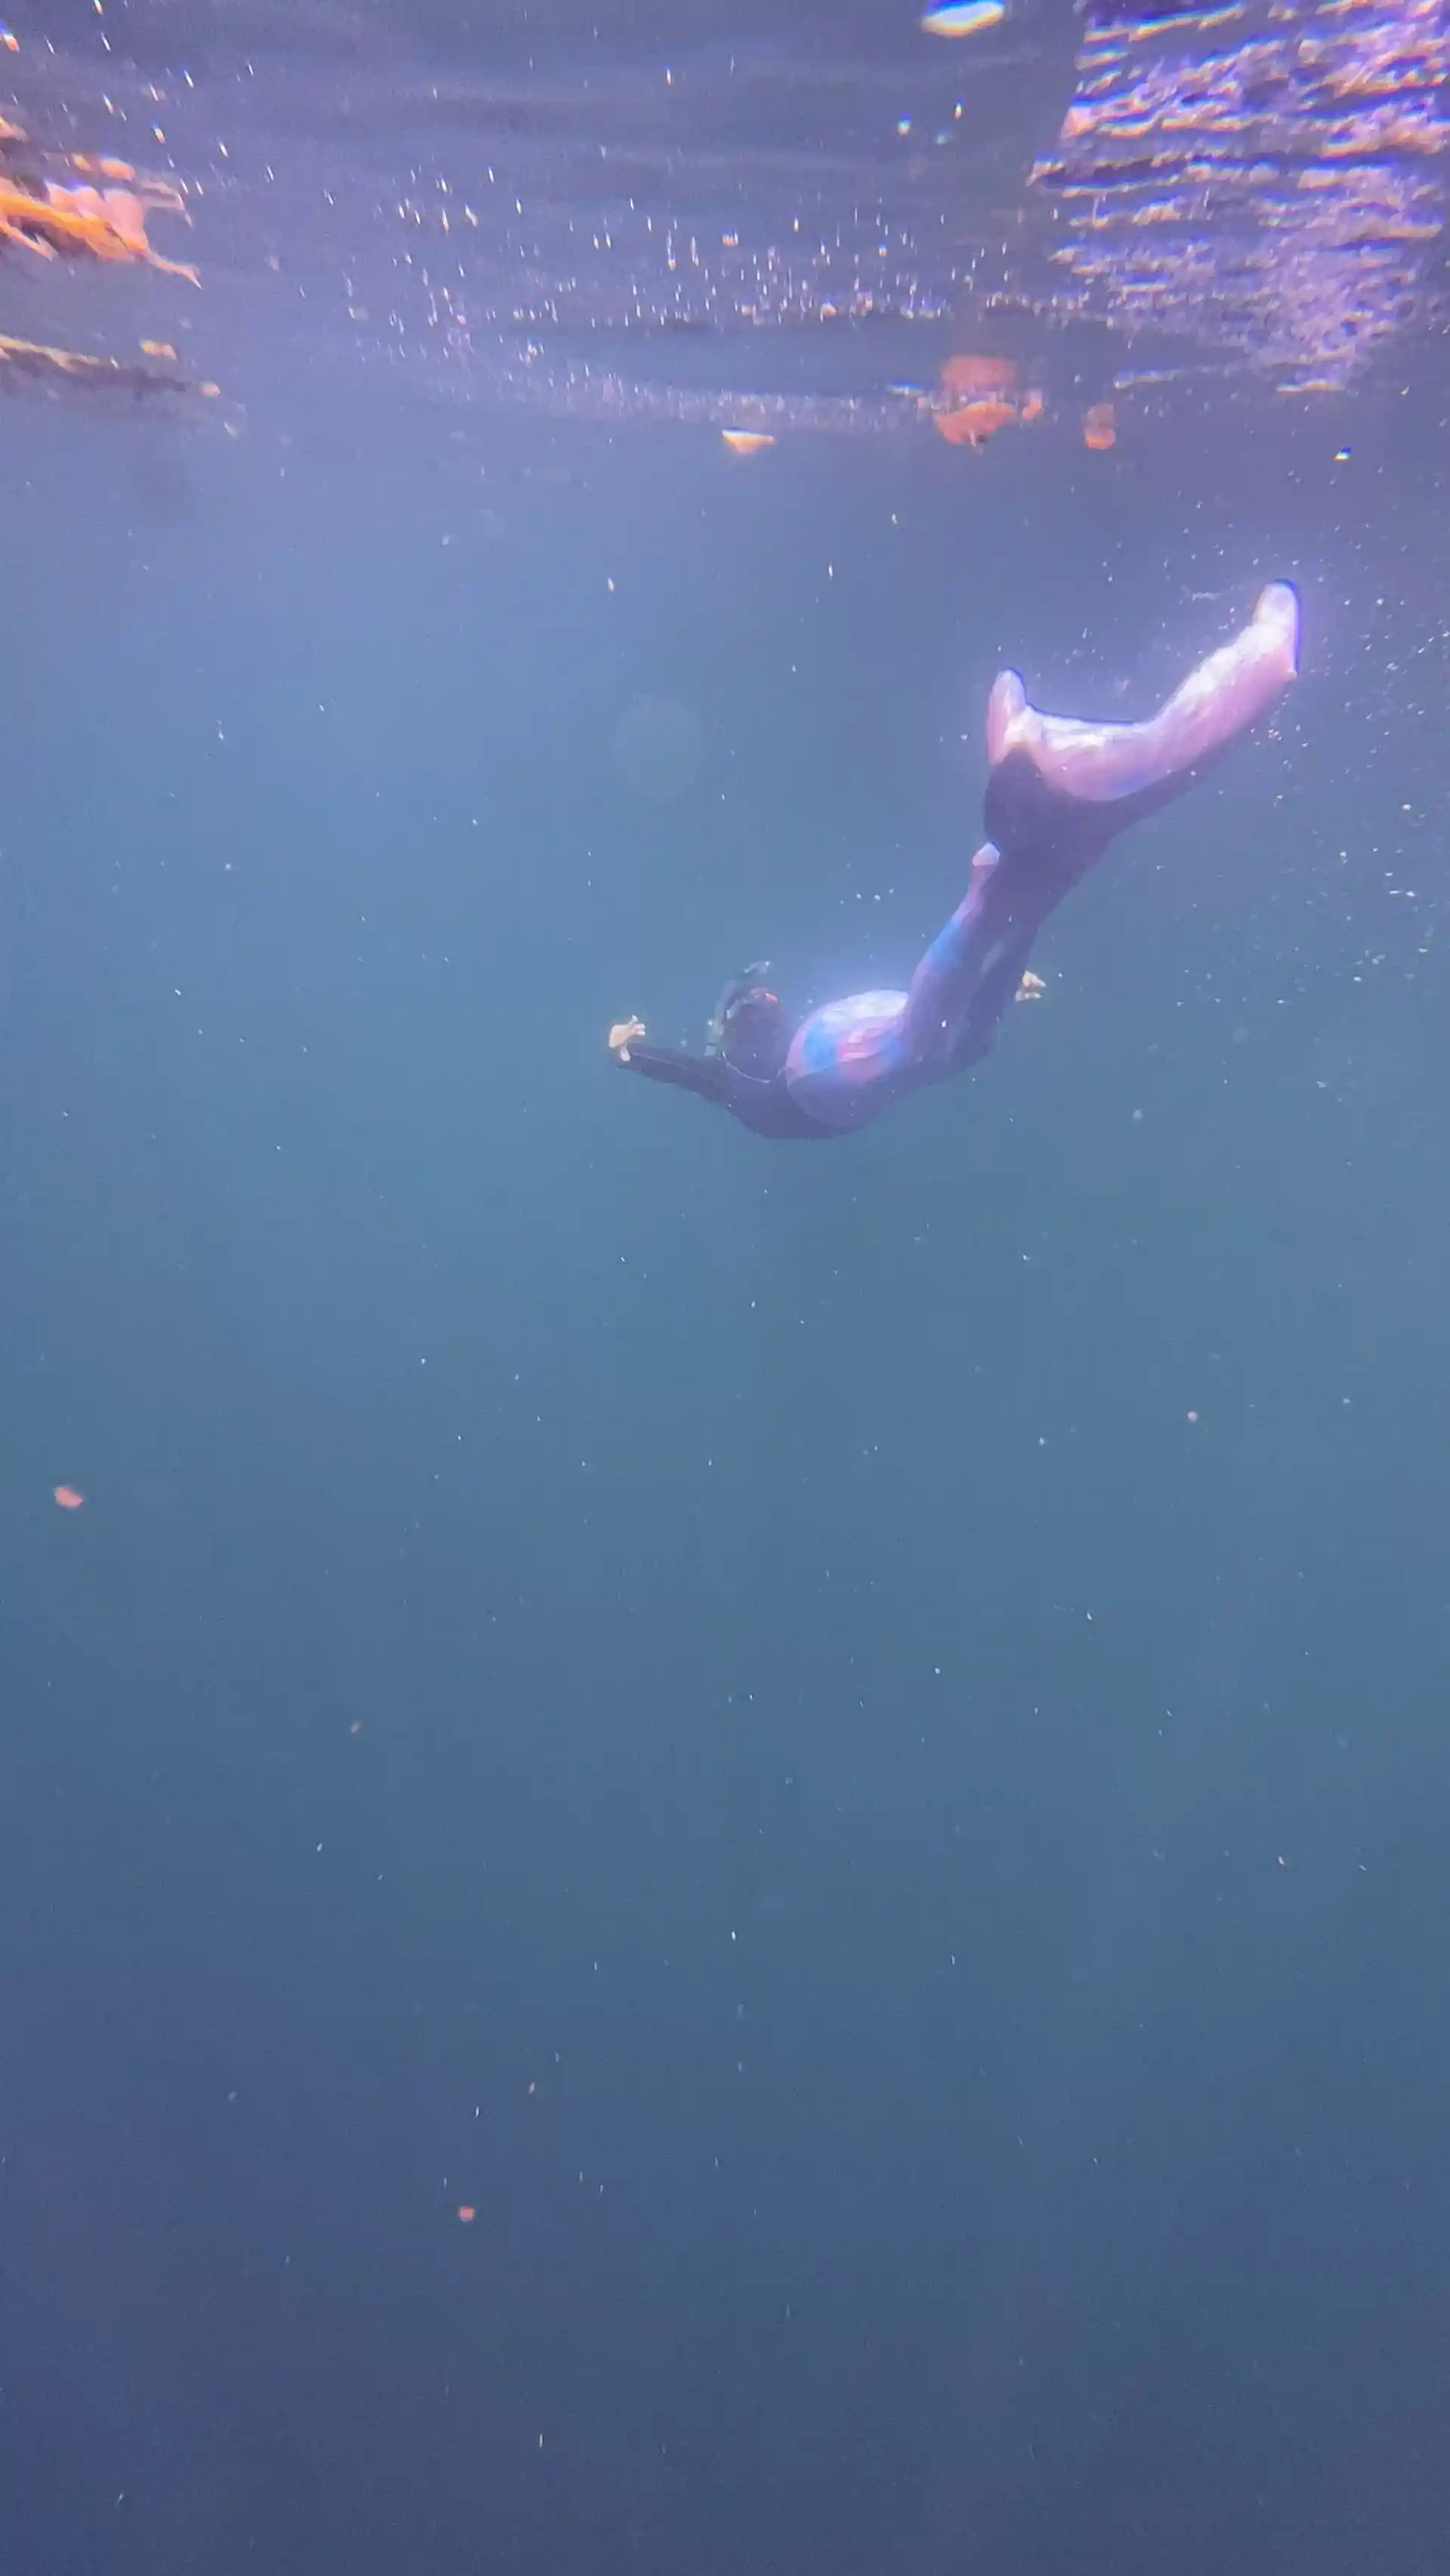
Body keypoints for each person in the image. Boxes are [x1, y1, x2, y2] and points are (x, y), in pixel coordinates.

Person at [608, 582, 1299, 1142]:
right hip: (858, 1053)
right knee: (957, 1039)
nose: (769, 1005)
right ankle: (1016, 882)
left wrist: (630, 1052)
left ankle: (1006, 884)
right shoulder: (751, 1075)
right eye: (763, 1006)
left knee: (929, 1042)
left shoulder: (755, 1085)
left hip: (837, 1071)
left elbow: (694, 1073)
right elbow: (694, 1072)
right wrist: (632, 1051)